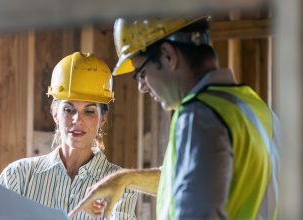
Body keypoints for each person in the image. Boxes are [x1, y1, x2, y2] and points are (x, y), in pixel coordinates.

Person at [70, 16, 280, 220]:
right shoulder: (257, 110)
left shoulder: (199, 115)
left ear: (168, 55)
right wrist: (125, 178)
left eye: (141, 73)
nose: (142, 87)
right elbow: (200, 179)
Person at [0, 52, 137, 219]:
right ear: (55, 114)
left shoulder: (120, 184)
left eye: (89, 111)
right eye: (69, 109)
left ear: (102, 119)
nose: (77, 120)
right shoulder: (17, 176)